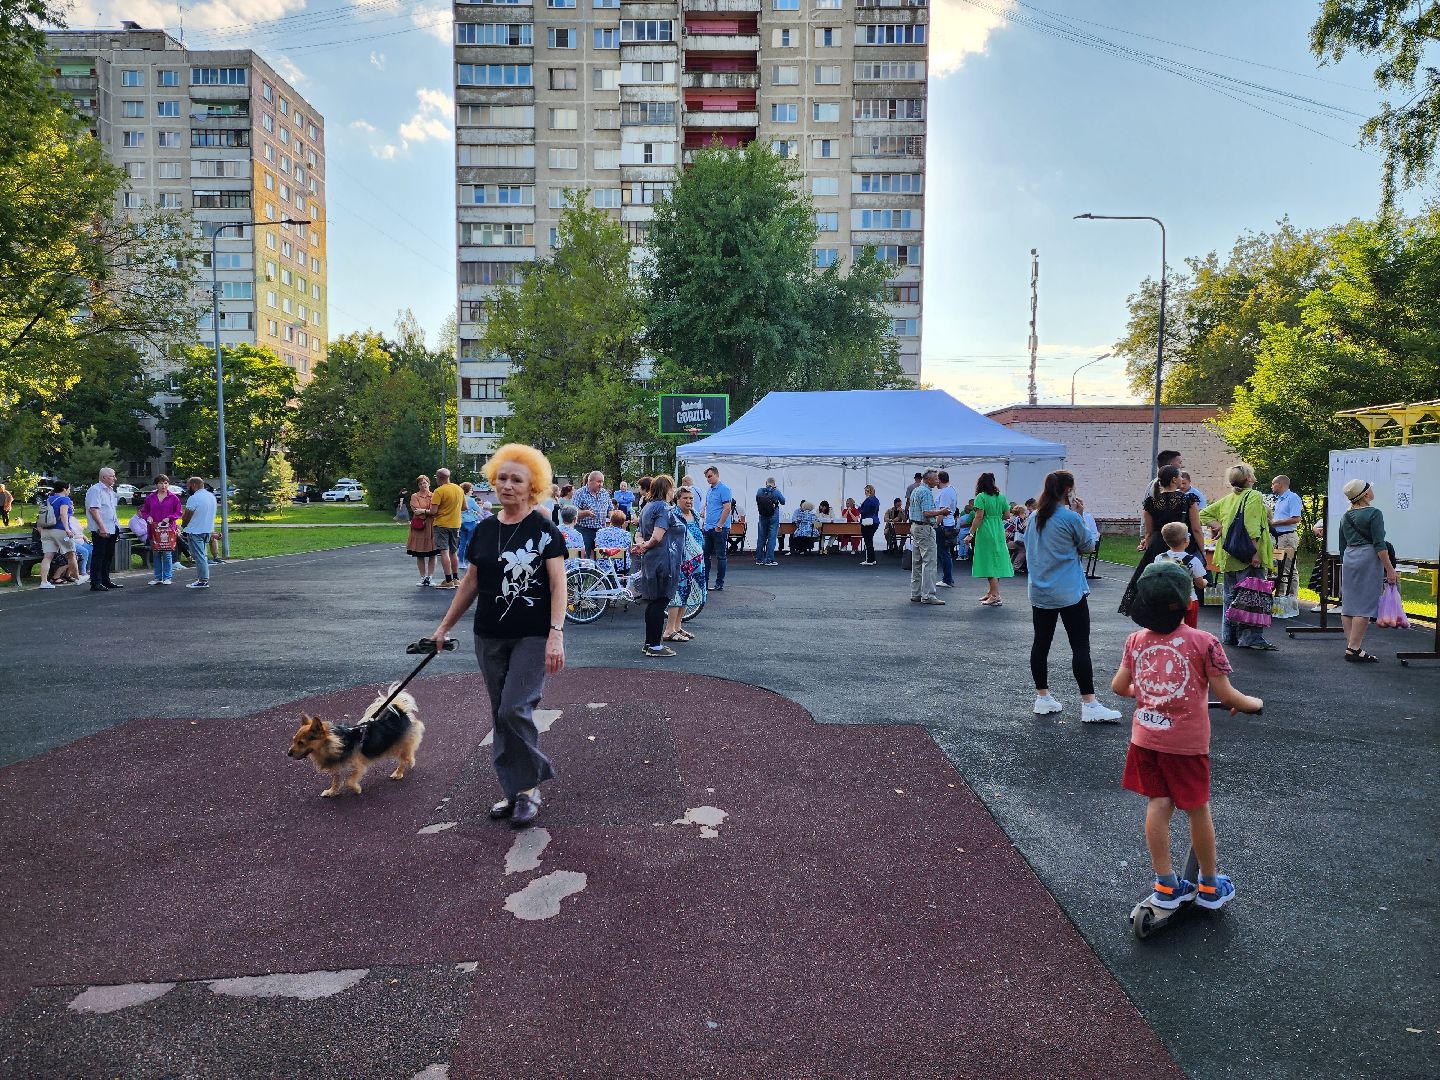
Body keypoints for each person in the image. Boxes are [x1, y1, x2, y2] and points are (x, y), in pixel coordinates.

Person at [1112, 560, 1263, 913]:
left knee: (1159, 804)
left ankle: (1166, 883)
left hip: (1145, 739)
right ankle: (1209, 885)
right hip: (1185, 744)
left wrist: (1151, 689)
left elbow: (1120, 686)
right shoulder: (1204, 642)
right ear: (1189, 603)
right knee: (1197, 809)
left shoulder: (1135, 640)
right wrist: (1254, 704)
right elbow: (1227, 697)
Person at [432, 444, 566, 830]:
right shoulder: (485, 529)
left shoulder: (544, 529)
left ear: (532, 486)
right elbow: (470, 582)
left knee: (514, 709)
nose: (507, 486)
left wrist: (556, 634)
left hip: (532, 634)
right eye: (502, 478)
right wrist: (444, 627)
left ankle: (529, 788)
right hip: (488, 635)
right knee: (500, 715)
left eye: (516, 480)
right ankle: (514, 791)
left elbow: (559, 586)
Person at [1024, 471, 1122, 723]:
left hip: (1040, 590)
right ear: (1068, 490)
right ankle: (1089, 703)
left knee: (1041, 643)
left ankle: (1042, 697)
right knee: (1079, 646)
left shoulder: (1034, 517)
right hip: (1068, 590)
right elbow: (1088, 545)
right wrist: (1080, 515)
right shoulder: (1069, 517)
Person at [1198, 463, 1277, 651]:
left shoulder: (1229, 499)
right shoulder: (1254, 496)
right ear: (1249, 479)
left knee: (1231, 595)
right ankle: (1250, 638)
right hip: (1247, 555)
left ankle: (1229, 635)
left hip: (1229, 554)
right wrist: (1255, 554)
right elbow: (1252, 528)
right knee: (1253, 595)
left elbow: (1203, 514)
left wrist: (1218, 526)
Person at [1118, 465, 1204, 616]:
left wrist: (1147, 546)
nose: (1182, 479)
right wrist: (1202, 550)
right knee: (1182, 580)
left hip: (1158, 545)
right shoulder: (1187, 500)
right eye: (1180, 476)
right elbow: (1196, 529)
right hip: (1181, 543)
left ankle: (1157, 613)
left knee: (1157, 580)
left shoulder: (1151, 502)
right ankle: (1181, 614)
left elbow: (1149, 531)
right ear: (1174, 480)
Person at [1337, 477, 1398, 663]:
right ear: (1365, 495)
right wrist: (1390, 569)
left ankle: (1352, 646)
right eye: (1369, 488)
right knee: (1364, 604)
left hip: (1349, 558)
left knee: (1349, 605)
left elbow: (1342, 545)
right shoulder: (1374, 513)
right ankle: (1354, 648)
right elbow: (1379, 545)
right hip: (1368, 558)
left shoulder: (1345, 516)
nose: (1372, 490)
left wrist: (1346, 561)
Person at [634, 474, 682, 657]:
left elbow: (638, 533)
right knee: (660, 602)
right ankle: (654, 645)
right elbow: (657, 536)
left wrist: (641, 545)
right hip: (664, 560)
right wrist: (646, 544)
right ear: (667, 489)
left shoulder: (647, 507)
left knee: (653, 602)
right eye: (672, 488)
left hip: (651, 560)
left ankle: (649, 643)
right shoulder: (663, 507)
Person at [665, 486, 706, 643]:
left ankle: (677, 627)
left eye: (691, 498)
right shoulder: (673, 515)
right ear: (677, 499)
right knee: (677, 595)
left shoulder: (694, 514)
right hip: (680, 562)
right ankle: (669, 630)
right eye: (685, 498)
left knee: (687, 594)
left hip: (696, 562)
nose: (689, 501)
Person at [969, 472, 1012, 606]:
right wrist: (996, 517)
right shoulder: (1001, 497)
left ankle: (995, 595)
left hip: (986, 532)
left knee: (989, 563)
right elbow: (1007, 515)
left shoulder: (980, 497)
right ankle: (991, 591)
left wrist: (970, 533)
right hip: (998, 531)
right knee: (995, 561)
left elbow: (979, 517)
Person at [1155, 521, 1207, 628]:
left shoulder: (1160, 558)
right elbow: (1199, 583)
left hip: (1167, 599)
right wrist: (1205, 582)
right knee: (1189, 629)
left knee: (1169, 627)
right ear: (1186, 541)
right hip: (1189, 600)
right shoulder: (1193, 561)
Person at [908, 469, 947, 605]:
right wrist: (941, 512)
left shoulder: (916, 490)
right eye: (936, 479)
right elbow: (926, 513)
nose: (937, 481)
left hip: (915, 527)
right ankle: (928, 595)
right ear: (928, 479)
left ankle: (916, 593)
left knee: (917, 562)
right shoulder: (926, 492)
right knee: (929, 562)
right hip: (925, 528)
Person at [1268, 474, 1304, 619]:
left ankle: (1289, 598)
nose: (1272, 487)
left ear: (1280, 484)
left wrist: (1274, 523)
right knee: (1280, 567)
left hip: (1288, 537)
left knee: (1288, 568)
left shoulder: (1292, 498)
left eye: (1273, 484)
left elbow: (1296, 518)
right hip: (1279, 537)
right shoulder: (1280, 500)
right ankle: (1282, 598)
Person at [139, 475, 183, 586]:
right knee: (156, 553)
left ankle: (168, 577)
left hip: (167, 530)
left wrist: (170, 518)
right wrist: (147, 517)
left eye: (166, 483)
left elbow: (179, 512)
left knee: (167, 553)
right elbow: (144, 511)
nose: (163, 486)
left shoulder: (174, 498)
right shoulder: (150, 497)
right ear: (156, 485)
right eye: (161, 483)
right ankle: (158, 577)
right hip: (154, 529)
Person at [36, 481, 81, 589]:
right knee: (71, 555)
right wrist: (67, 529)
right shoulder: (64, 500)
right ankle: (78, 578)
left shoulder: (48, 499)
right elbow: (63, 514)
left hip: (47, 530)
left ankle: (44, 582)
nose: (69, 491)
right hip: (60, 530)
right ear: (64, 489)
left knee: (47, 557)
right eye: (69, 488)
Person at [84, 467, 122, 591]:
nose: (114, 478)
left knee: (108, 555)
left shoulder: (110, 491)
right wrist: (102, 527)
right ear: (104, 477)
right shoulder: (95, 490)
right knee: (99, 555)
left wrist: (117, 526)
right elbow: (94, 510)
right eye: (112, 476)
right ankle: (96, 582)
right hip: (101, 529)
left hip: (112, 527)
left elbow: (110, 510)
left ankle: (106, 580)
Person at [429, 468, 465, 590]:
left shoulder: (439, 491)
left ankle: (448, 580)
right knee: (453, 552)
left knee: (444, 551)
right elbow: (464, 507)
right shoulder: (459, 489)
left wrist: (423, 511)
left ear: (439, 478)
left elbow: (433, 511)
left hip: (442, 525)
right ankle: (456, 579)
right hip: (456, 524)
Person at [182, 476, 217, 590]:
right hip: (207, 529)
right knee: (202, 555)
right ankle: (203, 578)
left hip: (196, 530)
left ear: (194, 485)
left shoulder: (194, 498)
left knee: (199, 556)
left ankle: (203, 580)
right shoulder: (211, 496)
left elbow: (187, 515)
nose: (188, 489)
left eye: (188, 486)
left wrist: (183, 526)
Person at [701, 466, 733, 591]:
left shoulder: (724, 489)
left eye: (710, 476)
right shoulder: (710, 490)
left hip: (719, 528)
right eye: (707, 477)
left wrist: (719, 525)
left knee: (720, 556)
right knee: (705, 556)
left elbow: (727, 508)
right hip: (708, 527)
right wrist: (703, 511)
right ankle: (705, 582)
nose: (708, 479)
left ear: (716, 474)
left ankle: (719, 583)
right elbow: (708, 504)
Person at [407, 475, 439, 587]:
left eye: (425, 483)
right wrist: (428, 512)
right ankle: (422, 577)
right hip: (419, 528)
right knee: (419, 554)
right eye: (420, 484)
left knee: (433, 554)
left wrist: (424, 511)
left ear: (429, 483)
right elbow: (416, 512)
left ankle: (430, 577)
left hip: (432, 527)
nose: (423, 485)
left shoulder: (435, 495)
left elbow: (435, 511)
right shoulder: (414, 496)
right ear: (418, 485)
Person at [573, 471, 613, 557]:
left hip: (600, 530)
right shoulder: (580, 493)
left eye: (602, 482)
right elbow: (573, 513)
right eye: (599, 481)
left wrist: (613, 517)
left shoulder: (604, 493)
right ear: (589, 481)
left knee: (603, 557)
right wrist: (586, 513)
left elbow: (610, 509)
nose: (601, 484)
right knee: (584, 558)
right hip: (584, 531)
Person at [932, 472, 959, 586]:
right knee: (945, 552)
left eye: (936, 480)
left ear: (939, 480)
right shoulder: (951, 489)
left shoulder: (945, 492)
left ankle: (947, 579)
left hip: (943, 525)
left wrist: (935, 524)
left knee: (943, 552)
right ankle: (947, 578)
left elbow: (942, 511)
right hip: (948, 524)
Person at [754, 477, 785, 566]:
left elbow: (757, 500)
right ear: (774, 483)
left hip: (762, 516)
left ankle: (759, 559)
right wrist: (775, 490)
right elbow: (783, 501)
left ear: (766, 483)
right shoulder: (776, 491)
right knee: (772, 538)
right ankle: (769, 560)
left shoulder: (760, 490)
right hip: (773, 516)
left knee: (761, 537)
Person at [594, 509, 633, 573]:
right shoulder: (626, 534)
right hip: (621, 567)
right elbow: (629, 550)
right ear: (623, 522)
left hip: (602, 566)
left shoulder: (600, 532)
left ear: (610, 520)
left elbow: (597, 546)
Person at [457, 482, 482, 573]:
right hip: (470, 522)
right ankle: (471, 561)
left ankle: (461, 562)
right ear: (467, 490)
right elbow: (479, 510)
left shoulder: (459, 498)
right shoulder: (471, 500)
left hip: (461, 522)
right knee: (471, 542)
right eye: (471, 489)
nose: (472, 491)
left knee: (462, 543)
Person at [857, 484, 881, 566]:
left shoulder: (868, 500)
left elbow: (864, 511)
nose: (864, 492)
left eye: (865, 491)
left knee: (868, 541)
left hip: (868, 522)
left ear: (868, 491)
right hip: (875, 521)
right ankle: (872, 559)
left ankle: (870, 560)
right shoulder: (876, 500)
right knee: (870, 540)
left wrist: (859, 508)